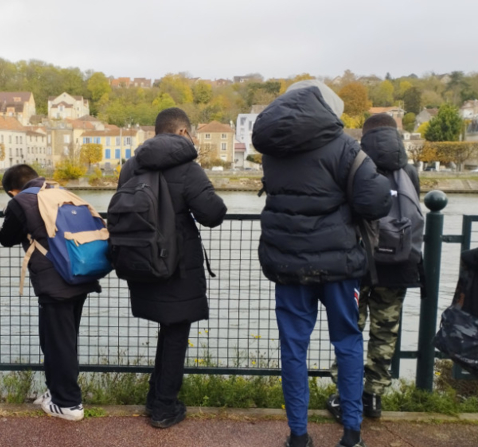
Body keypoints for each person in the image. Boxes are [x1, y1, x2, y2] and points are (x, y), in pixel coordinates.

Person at [252, 80, 392, 447]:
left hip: (287, 265)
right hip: (340, 266)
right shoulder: (345, 147)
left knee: (293, 348)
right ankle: (351, 434)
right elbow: (376, 202)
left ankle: (298, 436)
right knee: (347, 341)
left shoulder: (273, 152)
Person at [116, 107, 227, 428]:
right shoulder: (188, 168)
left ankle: (156, 396)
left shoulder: (130, 167)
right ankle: (165, 407)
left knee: (168, 329)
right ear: (181, 133)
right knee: (176, 332)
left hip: (140, 261)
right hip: (177, 266)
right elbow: (212, 213)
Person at [328, 113, 422, 421]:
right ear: (397, 134)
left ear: (364, 135)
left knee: (350, 329)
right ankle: (374, 397)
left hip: (359, 262)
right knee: (386, 331)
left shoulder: (355, 162)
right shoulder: (408, 169)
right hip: (400, 263)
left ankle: (345, 396)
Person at [0, 164, 101, 421]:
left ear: (12, 190)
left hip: (54, 280)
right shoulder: (59, 191)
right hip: (79, 271)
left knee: (56, 342)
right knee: (65, 339)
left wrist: (10, 213)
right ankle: (57, 393)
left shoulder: (21, 201)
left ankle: (69, 404)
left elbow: (7, 238)